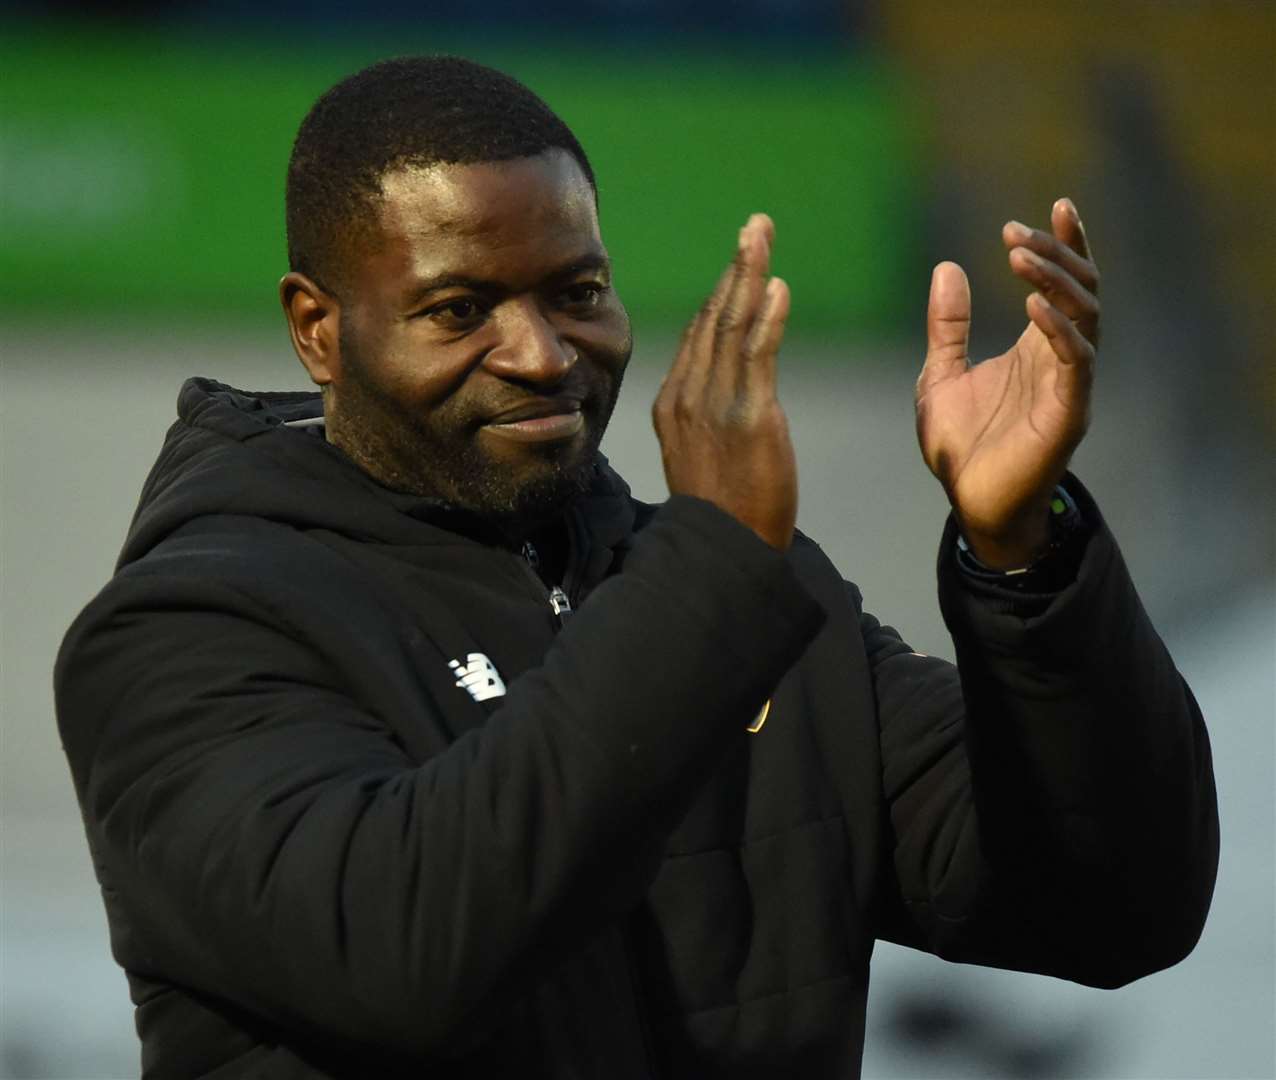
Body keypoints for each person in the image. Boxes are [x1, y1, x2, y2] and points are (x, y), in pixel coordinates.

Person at [55, 56, 1219, 1078]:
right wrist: (710, 573)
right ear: (318, 327)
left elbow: (1117, 904)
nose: (542, 355)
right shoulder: (186, 631)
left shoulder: (765, 605)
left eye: (578, 293)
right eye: (459, 308)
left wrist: (1026, 557)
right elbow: (407, 960)